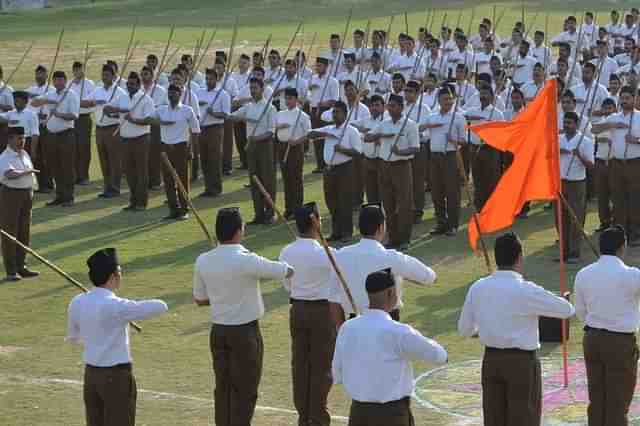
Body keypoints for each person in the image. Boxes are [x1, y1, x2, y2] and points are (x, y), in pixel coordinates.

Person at [458, 232, 575, 426]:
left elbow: (464, 329)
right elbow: (566, 309)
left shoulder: (478, 287)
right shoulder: (526, 289)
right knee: (524, 419)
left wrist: (488, 327)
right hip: (522, 364)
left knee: (494, 419)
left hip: (491, 360)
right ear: (519, 257)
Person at [192, 207, 294, 426]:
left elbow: (200, 299)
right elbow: (285, 270)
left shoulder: (204, 260)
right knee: (245, 390)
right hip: (244, 334)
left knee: (224, 388)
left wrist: (222, 295)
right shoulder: (247, 259)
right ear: (239, 231)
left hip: (218, 332)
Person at [67, 248, 169, 426]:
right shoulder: (116, 306)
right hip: (116, 378)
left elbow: (74, 337)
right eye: (120, 272)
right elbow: (161, 306)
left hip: (91, 376)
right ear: (113, 276)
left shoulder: (77, 302)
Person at [332, 268, 448, 426]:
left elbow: (337, 373)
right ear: (390, 293)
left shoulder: (347, 328)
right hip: (392, 415)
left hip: (359, 413)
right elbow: (440, 356)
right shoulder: (398, 331)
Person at [574, 225, 640, 426]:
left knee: (597, 399)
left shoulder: (584, 273)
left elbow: (580, 312)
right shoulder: (632, 275)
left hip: (592, 339)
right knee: (617, 402)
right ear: (622, 247)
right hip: (620, 342)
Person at [278, 202, 336, 426]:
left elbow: (286, 284)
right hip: (321, 312)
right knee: (321, 365)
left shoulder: (287, 251)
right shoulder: (324, 253)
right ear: (316, 222)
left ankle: (304, 416)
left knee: (300, 364)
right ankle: (318, 416)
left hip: (298, 310)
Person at [329, 203, 437, 324]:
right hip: (387, 321)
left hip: (354, 322)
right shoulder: (391, 257)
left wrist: (342, 330)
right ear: (381, 227)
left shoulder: (341, 255)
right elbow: (429, 277)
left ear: (358, 227)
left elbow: (333, 298)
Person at [364, 94, 419, 250]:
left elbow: (416, 148)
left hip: (401, 166)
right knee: (388, 204)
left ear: (401, 107)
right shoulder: (384, 123)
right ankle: (392, 237)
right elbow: (367, 137)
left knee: (404, 204)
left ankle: (404, 239)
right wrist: (380, 135)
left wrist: (400, 152)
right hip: (384, 166)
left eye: (393, 106)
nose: (390, 108)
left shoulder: (410, 125)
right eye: (389, 106)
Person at [301, 101, 361, 241]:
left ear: (345, 114)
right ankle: (336, 231)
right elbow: (310, 134)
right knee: (331, 201)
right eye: (333, 112)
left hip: (344, 168)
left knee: (344, 201)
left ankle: (347, 232)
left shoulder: (351, 131)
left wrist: (343, 150)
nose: (335, 115)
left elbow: (358, 152)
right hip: (329, 169)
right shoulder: (330, 129)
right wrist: (320, 133)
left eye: (338, 112)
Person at [591, 85, 640, 246]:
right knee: (618, 198)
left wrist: (636, 141)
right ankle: (621, 232)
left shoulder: (639, 117)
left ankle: (635, 233)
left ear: (634, 99)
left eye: (628, 98)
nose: (624, 101)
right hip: (616, 163)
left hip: (634, 163)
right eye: (622, 98)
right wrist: (611, 125)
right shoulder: (614, 117)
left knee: (634, 198)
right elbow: (594, 129)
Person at [227, 78, 277, 225]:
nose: (252, 91)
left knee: (267, 180)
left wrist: (256, 138)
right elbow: (233, 116)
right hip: (252, 147)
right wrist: (223, 114)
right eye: (251, 88)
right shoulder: (248, 107)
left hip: (265, 146)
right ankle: (258, 214)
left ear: (262, 89)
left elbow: (271, 132)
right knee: (254, 180)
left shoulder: (270, 108)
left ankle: (270, 213)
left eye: (255, 88)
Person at [104, 71, 155, 211]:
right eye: (128, 84)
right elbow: (107, 108)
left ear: (139, 84)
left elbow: (150, 120)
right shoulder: (122, 97)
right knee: (129, 172)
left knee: (141, 172)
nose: (129, 86)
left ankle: (141, 202)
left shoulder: (146, 99)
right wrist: (119, 110)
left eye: (132, 84)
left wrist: (134, 120)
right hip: (125, 139)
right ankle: (133, 200)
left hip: (141, 139)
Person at [30, 70, 80, 207]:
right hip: (51, 135)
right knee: (55, 166)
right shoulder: (50, 94)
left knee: (67, 166)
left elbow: (74, 116)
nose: (58, 82)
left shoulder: (71, 95)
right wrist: (46, 100)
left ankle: (69, 197)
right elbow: (34, 103)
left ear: (65, 81)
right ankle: (59, 195)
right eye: (55, 80)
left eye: (60, 79)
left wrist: (58, 114)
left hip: (66, 134)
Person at [424, 85, 466, 236]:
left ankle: (453, 225)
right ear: (439, 100)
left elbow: (464, 141)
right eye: (445, 99)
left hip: (450, 156)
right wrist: (428, 125)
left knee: (452, 191)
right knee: (436, 191)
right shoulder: (432, 116)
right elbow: (420, 129)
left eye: (450, 98)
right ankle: (441, 223)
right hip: (435, 156)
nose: (448, 101)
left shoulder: (458, 117)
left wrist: (453, 139)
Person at [155, 84, 201, 221]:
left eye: (174, 93)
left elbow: (196, 131)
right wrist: (161, 121)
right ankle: (173, 209)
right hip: (165, 148)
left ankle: (184, 209)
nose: (171, 96)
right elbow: (147, 119)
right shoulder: (162, 110)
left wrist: (191, 149)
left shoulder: (187, 110)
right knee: (168, 180)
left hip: (181, 147)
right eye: (169, 93)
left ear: (180, 94)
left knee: (182, 179)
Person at [0, 126, 39, 282]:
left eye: (23, 138)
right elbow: (9, 174)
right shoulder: (4, 157)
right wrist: (26, 173)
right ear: (10, 139)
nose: (22, 141)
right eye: (18, 138)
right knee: (10, 232)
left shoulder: (24, 154)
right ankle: (11, 270)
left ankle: (21, 266)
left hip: (26, 194)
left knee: (24, 231)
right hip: (11, 195)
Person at [557, 111, 595, 263]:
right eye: (565, 123)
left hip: (577, 182)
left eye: (569, 123)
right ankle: (564, 250)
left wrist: (579, 155)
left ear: (577, 124)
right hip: (560, 182)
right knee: (561, 217)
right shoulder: (558, 139)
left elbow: (591, 166)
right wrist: (556, 152)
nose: (566, 126)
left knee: (576, 218)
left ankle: (574, 251)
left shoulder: (585, 141)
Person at [465, 84, 505, 211]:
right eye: (481, 94)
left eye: (486, 94)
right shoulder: (472, 111)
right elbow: (461, 116)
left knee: (491, 179)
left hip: (490, 149)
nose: (483, 96)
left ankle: (492, 208)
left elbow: (501, 133)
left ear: (492, 97)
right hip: (474, 148)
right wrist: (472, 118)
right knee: (477, 179)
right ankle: (479, 207)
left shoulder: (497, 114)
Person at [92, 64, 126, 198]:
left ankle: (115, 188)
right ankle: (107, 187)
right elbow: (83, 102)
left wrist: (113, 113)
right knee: (103, 159)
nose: (104, 77)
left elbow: (125, 112)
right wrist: (95, 102)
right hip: (99, 128)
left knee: (114, 159)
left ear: (113, 76)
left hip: (113, 128)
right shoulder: (97, 90)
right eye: (103, 74)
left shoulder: (120, 92)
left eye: (107, 75)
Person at [275, 88, 311, 218]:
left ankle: (297, 208)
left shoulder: (302, 115)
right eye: (286, 98)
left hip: (295, 148)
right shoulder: (280, 114)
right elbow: (273, 127)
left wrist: (297, 141)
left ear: (296, 99)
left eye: (290, 98)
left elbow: (308, 134)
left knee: (296, 178)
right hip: (282, 147)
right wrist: (279, 127)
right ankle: (288, 208)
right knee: (286, 178)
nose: (288, 101)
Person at [197, 68, 231, 198]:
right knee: (204, 159)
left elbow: (226, 114)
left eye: (211, 79)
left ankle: (216, 188)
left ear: (216, 79)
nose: (208, 81)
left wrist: (214, 113)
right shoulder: (200, 92)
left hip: (215, 128)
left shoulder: (223, 94)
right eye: (207, 78)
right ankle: (208, 187)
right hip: (202, 128)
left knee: (214, 159)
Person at [308, 57, 339, 173]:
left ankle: (328, 163)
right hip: (314, 110)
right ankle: (319, 164)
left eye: (320, 65)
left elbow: (335, 100)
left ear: (326, 67)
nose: (318, 68)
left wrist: (324, 103)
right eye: (317, 65)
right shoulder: (313, 79)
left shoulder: (332, 81)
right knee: (316, 137)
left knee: (326, 137)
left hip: (326, 111)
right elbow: (309, 94)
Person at [69, 61, 96, 186]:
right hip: (71, 119)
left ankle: (84, 176)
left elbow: (91, 102)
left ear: (83, 70)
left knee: (84, 148)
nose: (76, 72)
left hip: (84, 118)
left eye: (79, 69)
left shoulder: (89, 84)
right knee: (73, 148)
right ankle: (74, 176)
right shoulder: (70, 84)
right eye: (75, 69)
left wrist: (79, 102)